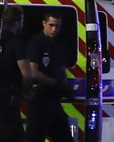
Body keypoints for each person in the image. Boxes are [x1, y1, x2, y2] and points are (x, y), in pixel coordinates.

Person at [0, 5, 32, 142]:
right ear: (19, 21)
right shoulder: (16, 43)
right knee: (12, 136)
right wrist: (22, 91)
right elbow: (27, 75)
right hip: (5, 99)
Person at [26, 11, 74, 142]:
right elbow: (33, 71)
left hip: (53, 100)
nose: (54, 29)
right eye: (51, 25)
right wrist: (54, 82)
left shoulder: (58, 44)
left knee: (65, 138)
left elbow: (61, 68)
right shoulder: (36, 43)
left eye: (57, 26)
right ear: (44, 23)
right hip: (38, 101)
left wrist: (65, 85)